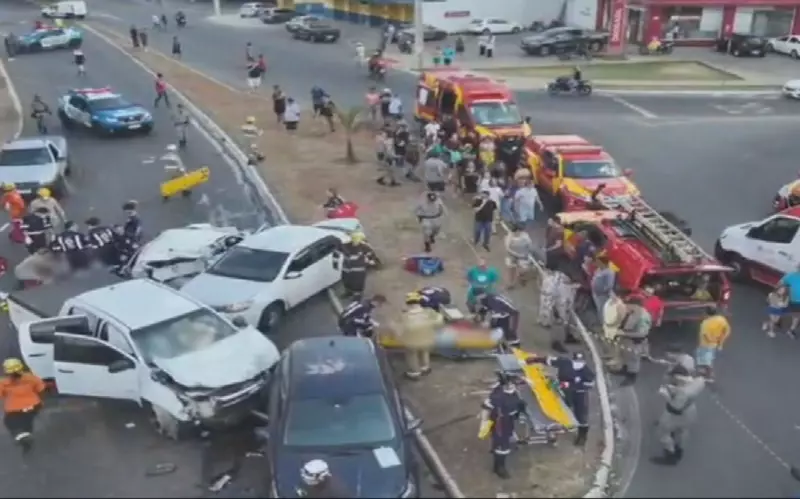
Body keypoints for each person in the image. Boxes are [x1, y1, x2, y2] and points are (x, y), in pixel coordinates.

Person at [527, 352, 594, 446]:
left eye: (580, 362)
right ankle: (556, 429)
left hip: (579, 394)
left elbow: (588, 385)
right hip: (564, 391)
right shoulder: (564, 362)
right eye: (576, 361)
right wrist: (535, 360)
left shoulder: (588, 373)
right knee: (560, 408)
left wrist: (569, 385)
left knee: (581, 416)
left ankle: (582, 436)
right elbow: (549, 360)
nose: (577, 364)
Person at [652, 365, 705, 466]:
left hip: (677, 414)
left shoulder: (681, 391)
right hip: (691, 411)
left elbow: (675, 407)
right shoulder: (697, 382)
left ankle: (670, 455)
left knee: (662, 432)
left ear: (677, 377)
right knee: (683, 431)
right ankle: (679, 450)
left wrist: (667, 395)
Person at [478, 371, 526, 478]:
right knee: (502, 445)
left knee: (507, 437)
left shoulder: (514, 392)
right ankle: (499, 467)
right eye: (514, 381)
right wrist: (484, 426)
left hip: (509, 420)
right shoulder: (498, 397)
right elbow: (486, 409)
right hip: (500, 423)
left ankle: (504, 444)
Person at [0, 358, 46, 453]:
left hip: (14, 409)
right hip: (34, 406)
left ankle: (20, 435)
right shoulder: (31, 378)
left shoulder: (3, 382)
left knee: (8, 421)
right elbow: (41, 389)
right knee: (27, 422)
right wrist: (40, 402)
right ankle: (27, 441)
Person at [400, 292, 443, 379]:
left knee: (411, 356)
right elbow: (439, 321)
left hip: (412, 342)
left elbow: (400, 329)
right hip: (427, 339)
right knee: (425, 352)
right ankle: (425, 367)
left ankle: (414, 372)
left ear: (407, 303)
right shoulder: (429, 312)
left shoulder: (404, 316)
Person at [615, 297, 652, 386]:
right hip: (627, 339)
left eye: (629, 305)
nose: (627, 307)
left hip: (636, 341)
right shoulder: (634, 312)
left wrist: (623, 334)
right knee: (625, 355)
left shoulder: (643, 317)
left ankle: (631, 377)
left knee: (633, 359)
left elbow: (641, 334)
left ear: (635, 305)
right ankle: (624, 369)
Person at [696, 306, 730, 382]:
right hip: (717, 344)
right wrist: (720, 341)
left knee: (705, 360)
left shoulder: (705, 323)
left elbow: (705, 335)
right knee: (710, 359)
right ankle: (706, 374)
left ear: (706, 313)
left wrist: (711, 341)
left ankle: (708, 375)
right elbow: (727, 331)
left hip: (706, 345)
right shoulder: (721, 319)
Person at [339, 232, 376, 298]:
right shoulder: (345, 245)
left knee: (358, 284)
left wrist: (370, 262)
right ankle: (348, 292)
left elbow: (371, 255)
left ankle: (357, 297)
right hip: (347, 269)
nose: (355, 240)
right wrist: (335, 264)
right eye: (354, 238)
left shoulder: (364, 247)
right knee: (346, 281)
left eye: (357, 239)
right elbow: (337, 252)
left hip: (358, 270)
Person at [504, 223, 534, 289]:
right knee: (511, 270)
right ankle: (511, 284)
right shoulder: (509, 236)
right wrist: (517, 254)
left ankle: (520, 276)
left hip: (522, 255)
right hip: (512, 255)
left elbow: (530, 244)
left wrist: (528, 251)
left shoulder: (525, 235)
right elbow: (507, 248)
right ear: (517, 231)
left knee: (524, 269)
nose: (521, 232)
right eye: (520, 230)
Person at [591, 256, 616, 324]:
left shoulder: (609, 272)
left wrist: (601, 291)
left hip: (603, 295)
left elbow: (609, 285)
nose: (597, 263)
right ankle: (601, 322)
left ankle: (604, 324)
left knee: (603, 310)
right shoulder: (599, 269)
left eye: (598, 262)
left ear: (603, 263)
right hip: (596, 294)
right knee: (599, 309)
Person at [779, 264, 800, 337]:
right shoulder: (791, 276)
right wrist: (781, 292)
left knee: (797, 315)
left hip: (797, 301)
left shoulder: (791, 275)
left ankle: (791, 330)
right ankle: (776, 322)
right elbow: (781, 283)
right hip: (790, 298)